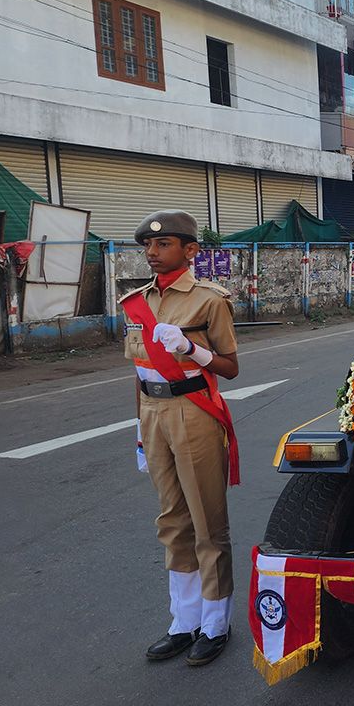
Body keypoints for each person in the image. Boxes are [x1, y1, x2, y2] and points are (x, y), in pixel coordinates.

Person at [121, 210, 240, 667]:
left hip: (194, 413)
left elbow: (230, 367)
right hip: (152, 414)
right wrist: (138, 429)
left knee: (208, 522)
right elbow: (139, 372)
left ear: (190, 251)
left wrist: (192, 349)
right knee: (172, 520)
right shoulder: (135, 302)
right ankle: (183, 621)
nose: (151, 252)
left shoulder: (209, 301)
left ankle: (214, 622)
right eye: (147, 246)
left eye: (163, 244)